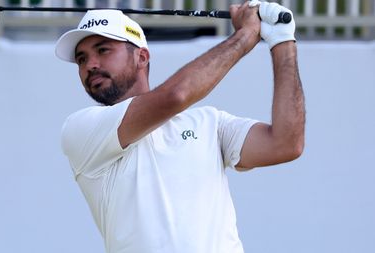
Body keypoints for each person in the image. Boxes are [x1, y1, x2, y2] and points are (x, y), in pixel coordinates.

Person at [55, 0, 305, 252]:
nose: (91, 65)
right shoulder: (81, 129)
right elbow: (177, 95)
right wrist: (245, 36)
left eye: (103, 50)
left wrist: (282, 42)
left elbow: (286, 144)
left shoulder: (209, 123)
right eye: (81, 59)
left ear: (141, 57)